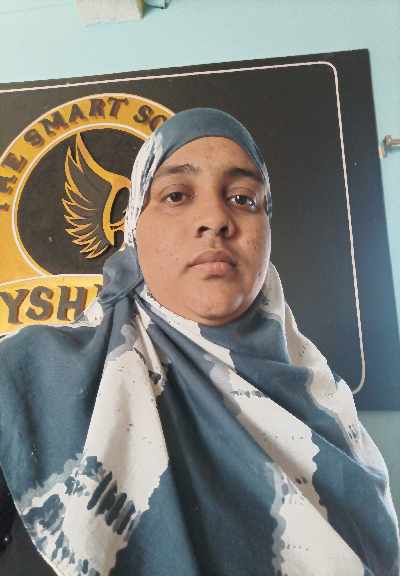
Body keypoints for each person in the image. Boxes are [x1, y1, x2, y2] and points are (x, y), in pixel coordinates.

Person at [0, 108, 399, 575]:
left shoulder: (329, 416)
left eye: (243, 198)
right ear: (134, 228)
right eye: (176, 195)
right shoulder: (24, 378)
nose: (214, 218)